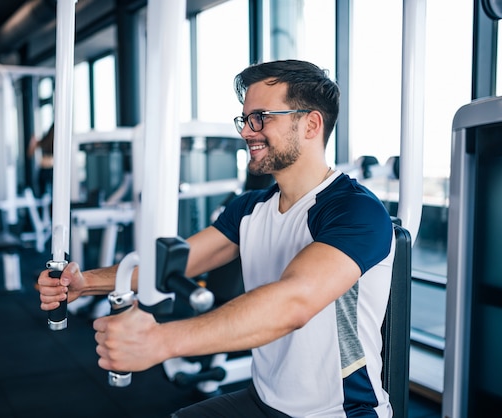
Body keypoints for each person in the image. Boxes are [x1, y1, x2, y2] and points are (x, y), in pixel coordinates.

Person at [37, 60, 395, 417]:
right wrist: (85, 284)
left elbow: (294, 303)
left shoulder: (354, 211)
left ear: (311, 124)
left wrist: (160, 341)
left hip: (338, 412)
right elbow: (178, 262)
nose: (247, 132)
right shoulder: (251, 208)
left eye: (261, 117)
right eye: (245, 119)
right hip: (264, 399)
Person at [27, 123, 54, 197]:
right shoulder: (45, 141)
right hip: (45, 171)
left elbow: (30, 153)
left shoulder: (46, 141)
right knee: (45, 196)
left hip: (48, 171)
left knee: (45, 197)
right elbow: (29, 153)